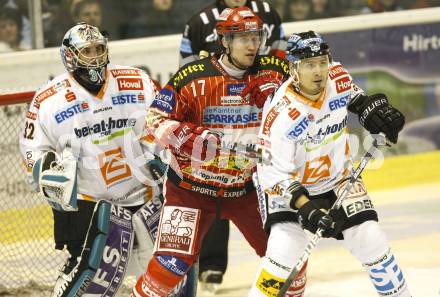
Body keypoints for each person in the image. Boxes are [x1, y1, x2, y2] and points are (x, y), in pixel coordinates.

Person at [131, 7, 308, 297]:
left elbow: (314, 100)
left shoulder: (275, 75)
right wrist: (192, 139)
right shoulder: (192, 77)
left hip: (250, 191)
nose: (252, 45)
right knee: (168, 267)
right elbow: (154, 120)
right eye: (243, 39)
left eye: (256, 37)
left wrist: (285, 104)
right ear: (224, 41)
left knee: (292, 265)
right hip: (191, 189)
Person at [18, 23, 178, 297]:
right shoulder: (47, 99)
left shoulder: (138, 80)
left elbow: (162, 123)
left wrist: (161, 150)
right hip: (90, 207)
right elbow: (31, 150)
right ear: (70, 55)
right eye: (86, 51)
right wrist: (49, 173)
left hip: (144, 198)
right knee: (88, 285)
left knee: (168, 279)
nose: (94, 56)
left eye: (98, 49)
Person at [248, 31, 410, 297]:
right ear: (293, 69)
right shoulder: (281, 114)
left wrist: (374, 112)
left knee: (373, 243)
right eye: (309, 64)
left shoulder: (337, 76)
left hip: (338, 181)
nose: (319, 71)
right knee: (280, 264)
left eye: (322, 61)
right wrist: (306, 208)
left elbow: (356, 98)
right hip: (291, 192)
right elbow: (271, 173)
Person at [178, 1, 286, 291]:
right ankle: (211, 265)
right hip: (216, 113)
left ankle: (281, 261)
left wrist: (272, 89)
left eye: (255, 38)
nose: (251, 43)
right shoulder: (199, 20)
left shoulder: (267, 11)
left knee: (262, 196)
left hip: (257, 116)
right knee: (214, 182)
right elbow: (187, 72)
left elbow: (282, 59)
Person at [179, 0, 286, 66]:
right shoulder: (199, 22)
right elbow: (186, 68)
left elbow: (282, 53)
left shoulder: (268, 13)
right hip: (217, 89)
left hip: (263, 86)